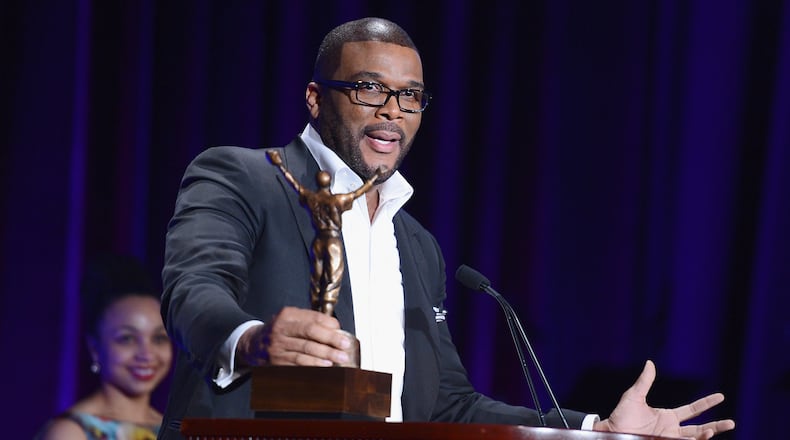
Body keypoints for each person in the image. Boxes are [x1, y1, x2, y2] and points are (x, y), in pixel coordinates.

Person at [158, 17, 735, 440]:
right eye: (368, 89)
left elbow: (447, 404)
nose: (392, 111)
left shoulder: (416, 245)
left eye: (410, 96)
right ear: (315, 98)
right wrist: (252, 338)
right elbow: (193, 292)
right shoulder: (242, 175)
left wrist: (595, 427)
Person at [38, 254, 173, 440]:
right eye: (127, 339)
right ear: (95, 349)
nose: (147, 354)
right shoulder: (70, 432)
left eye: (159, 338)